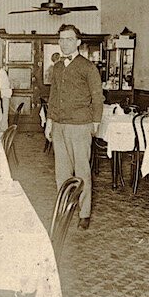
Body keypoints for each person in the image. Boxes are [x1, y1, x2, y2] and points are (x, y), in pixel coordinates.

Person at [45, 24, 104, 230]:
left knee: (81, 171)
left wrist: (95, 122)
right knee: (61, 172)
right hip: (59, 125)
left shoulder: (88, 67)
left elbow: (98, 96)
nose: (64, 43)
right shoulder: (58, 67)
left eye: (69, 39)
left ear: (78, 42)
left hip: (80, 125)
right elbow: (53, 96)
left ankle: (84, 213)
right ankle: (64, 208)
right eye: (61, 39)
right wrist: (50, 122)